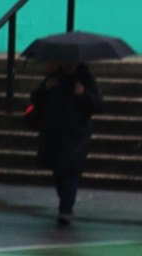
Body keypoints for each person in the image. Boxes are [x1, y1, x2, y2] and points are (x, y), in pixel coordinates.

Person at [28, 60, 102, 225]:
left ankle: (66, 208)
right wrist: (46, 88)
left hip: (76, 134)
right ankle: (65, 203)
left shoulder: (85, 79)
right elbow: (35, 98)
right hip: (54, 133)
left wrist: (83, 94)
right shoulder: (53, 79)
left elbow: (97, 104)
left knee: (70, 171)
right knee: (58, 172)